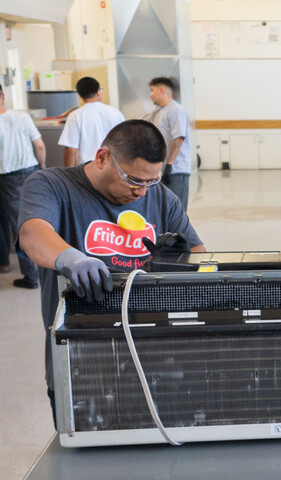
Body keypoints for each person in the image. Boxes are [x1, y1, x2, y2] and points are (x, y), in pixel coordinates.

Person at [18, 119, 206, 425]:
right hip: (82, 362)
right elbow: (32, 233)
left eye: (151, 182)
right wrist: (70, 258)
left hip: (155, 362)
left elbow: (197, 254)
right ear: (103, 157)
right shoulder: (51, 185)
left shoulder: (160, 199)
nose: (142, 193)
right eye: (133, 180)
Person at [0, 83, 46, 288]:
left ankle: (30, 277)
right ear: (3, 96)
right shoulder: (22, 117)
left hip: (7, 179)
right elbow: (40, 145)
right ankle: (47, 270)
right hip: (31, 172)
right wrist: (41, 168)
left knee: (19, 228)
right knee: (40, 221)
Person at [143, 77, 191, 210]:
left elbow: (179, 138)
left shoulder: (176, 110)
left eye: (152, 90)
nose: (150, 94)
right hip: (163, 170)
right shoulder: (159, 112)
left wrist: (169, 165)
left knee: (177, 209)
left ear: (161, 91)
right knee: (165, 209)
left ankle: (179, 232)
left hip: (176, 170)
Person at [58, 76, 125, 167]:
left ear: (80, 95)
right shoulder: (116, 113)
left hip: (87, 169)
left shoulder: (76, 115)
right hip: (113, 167)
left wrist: (68, 175)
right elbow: (124, 143)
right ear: (98, 92)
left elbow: (71, 150)